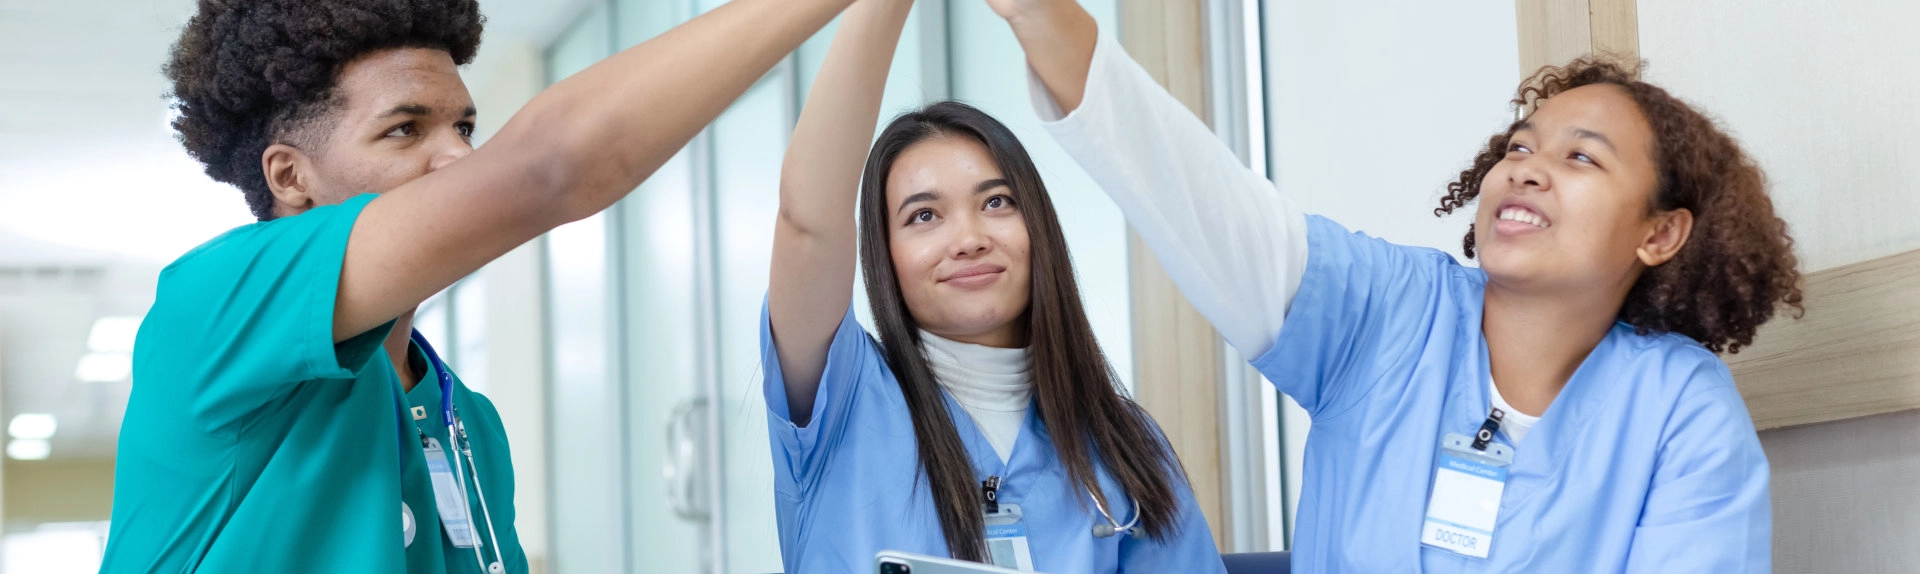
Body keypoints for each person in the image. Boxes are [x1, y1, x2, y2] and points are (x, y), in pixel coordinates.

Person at [989, 0, 1802, 572]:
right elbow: (1188, 189)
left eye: (1581, 157)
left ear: (1659, 234)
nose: (1527, 171)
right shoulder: (1382, 315)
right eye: (1518, 148)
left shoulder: (1680, 412)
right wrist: (1038, 15)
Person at [100, 0, 855, 571]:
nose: (460, 159)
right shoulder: (211, 309)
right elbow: (547, 169)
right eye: (406, 130)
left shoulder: (468, 420)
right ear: (290, 177)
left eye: (464, 127)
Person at [760, 0, 1225, 572]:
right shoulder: (843, 405)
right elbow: (807, 223)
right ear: (883, 255)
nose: (970, 238)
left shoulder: (1124, 442)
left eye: (997, 202)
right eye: (923, 216)